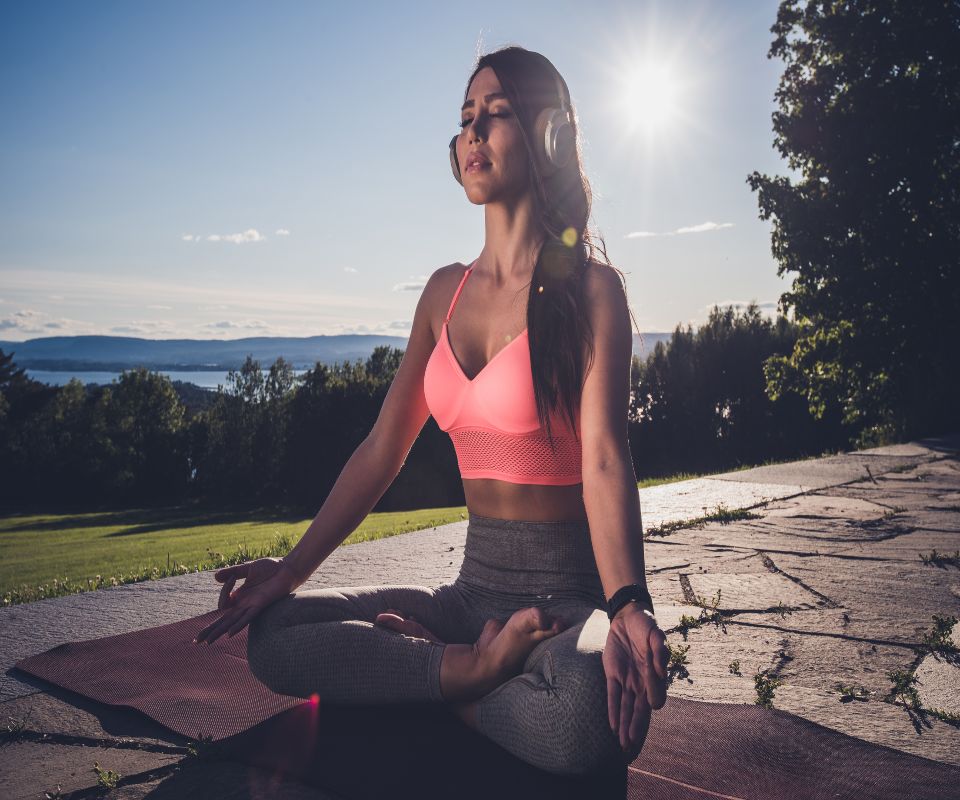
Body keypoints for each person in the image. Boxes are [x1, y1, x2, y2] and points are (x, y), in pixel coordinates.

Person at [192, 45, 669, 777]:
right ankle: (467, 672)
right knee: (276, 634)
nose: (473, 133)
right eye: (465, 119)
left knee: (583, 722)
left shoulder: (593, 292)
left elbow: (605, 457)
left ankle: (443, 682)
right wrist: (288, 573)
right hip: (467, 597)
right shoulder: (441, 292)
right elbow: (383, 449)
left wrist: (627, 603)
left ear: (548, 135)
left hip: (564, 607)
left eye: (496, 114)